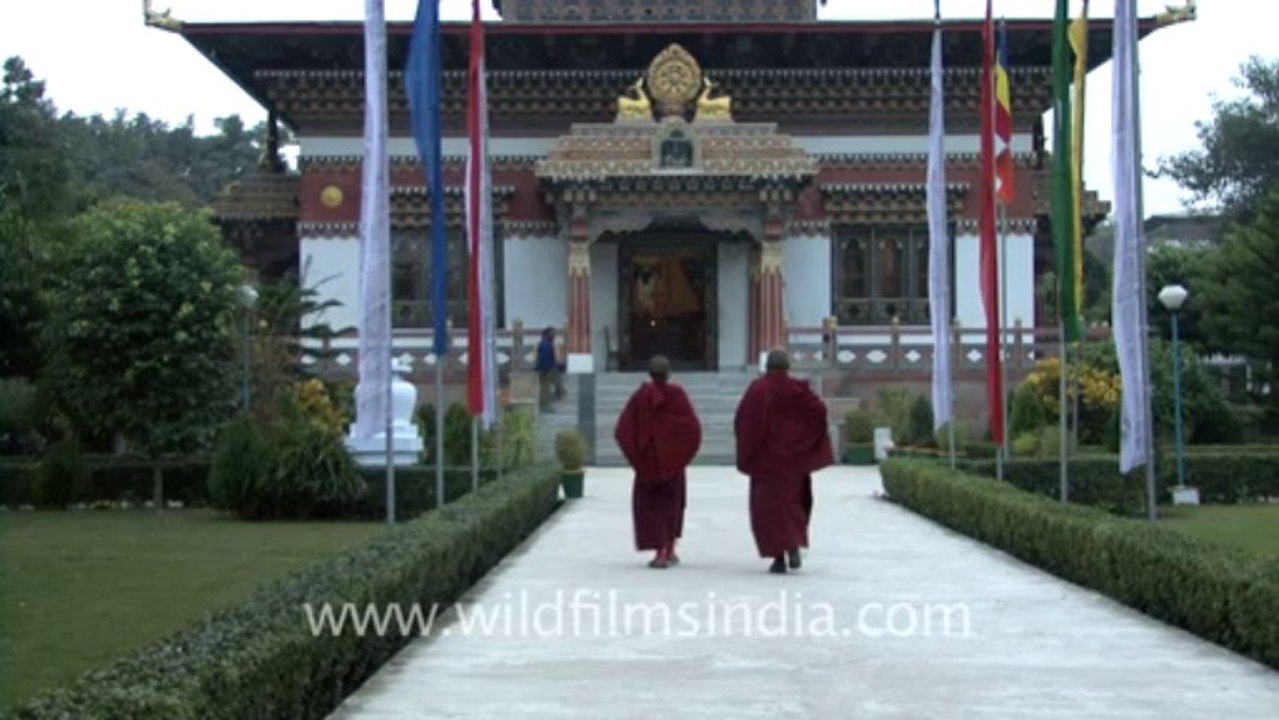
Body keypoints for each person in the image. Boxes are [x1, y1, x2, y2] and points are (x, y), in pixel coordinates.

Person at [733, 349, 833, 574]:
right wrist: (805, 441)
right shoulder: (797, 389)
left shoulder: (758, 389)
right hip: (793, 462)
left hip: (767, 462)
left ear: (767, 367)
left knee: (770, 511)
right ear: (787, 367)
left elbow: (745, 422)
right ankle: (793, 546)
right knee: (793, 506)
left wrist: (749, 453)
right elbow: (819, 410)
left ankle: (778, 559)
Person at [614, 355, 702, 569]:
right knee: (672, 505)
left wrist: (638, 459)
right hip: (673, 464)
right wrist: (679, 455)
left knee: (652, 508)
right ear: (669, 373)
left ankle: (660, 551)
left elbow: (623, 431)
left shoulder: (640, 397)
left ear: (649, 373)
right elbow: (692, 428)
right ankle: (669, 548)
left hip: (649, 465)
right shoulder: (677, 395)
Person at [535, 326, 565, 410]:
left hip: (551, 367)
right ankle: (544, 406)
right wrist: (542, 370)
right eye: (552, 334)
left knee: (557, 381)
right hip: (546, 369)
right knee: (545, 388)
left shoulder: (548, 343)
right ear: (546, 334)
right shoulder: (545, 344)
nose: (554, 335)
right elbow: (543, 359)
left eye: (554, 334)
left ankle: (559, 393)